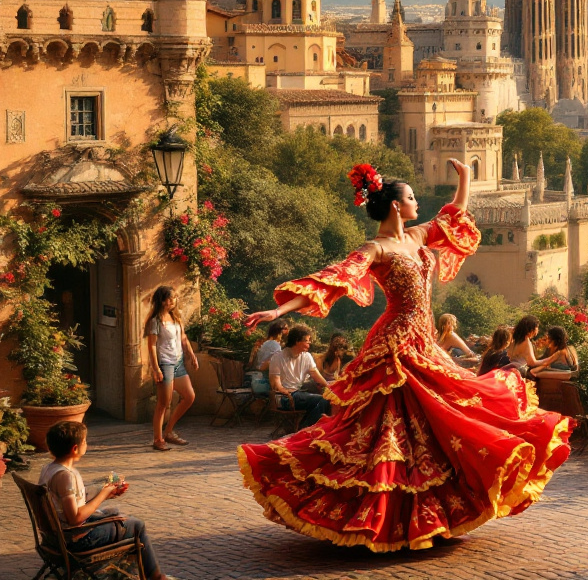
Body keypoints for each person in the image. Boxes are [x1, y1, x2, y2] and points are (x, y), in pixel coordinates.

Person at [239, 160, 571, 551]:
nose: (417, 202)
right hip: (395, 343)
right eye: (411, 197)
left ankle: (430, 516)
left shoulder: (417, 235)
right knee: (389, 431)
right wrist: (279, 311)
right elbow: (334, 279)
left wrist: (466, 178)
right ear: (396, 205)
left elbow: (453, 215)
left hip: (423, 340)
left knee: (435, 424)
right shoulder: (376, 248)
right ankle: (385, 518)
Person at [39, 421, 173, 580]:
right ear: (75, 449)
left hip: (55, 537)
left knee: (118, 517)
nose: (86, 444)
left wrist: (106, 492)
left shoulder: (49, 469)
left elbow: (69, 501)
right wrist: (103, 495)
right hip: (76, 540)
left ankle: (131, 572)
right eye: (84, 441)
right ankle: (156, 577)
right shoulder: (66, 476)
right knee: (136, 525)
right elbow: (75, 518)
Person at [144, 286, 197, 452]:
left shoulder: (176, 317)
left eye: (174, 297)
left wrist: (191, 354)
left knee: (189, 396)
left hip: (178, 362)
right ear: (162, 301)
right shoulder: (155, 321)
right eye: (170, 298)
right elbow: (152, 346)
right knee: (164, 403)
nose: (174, 300)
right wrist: (156, 369)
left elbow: (183, 338)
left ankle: (168, 431)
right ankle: (157, 439)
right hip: (165, 364)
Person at [267, 325, 330, 429]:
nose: (309, 343)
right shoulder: (278, 357)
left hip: (298, 395)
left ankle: (305, 427)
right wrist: (286, 391)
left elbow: (316, 376)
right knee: (322, 400)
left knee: (326, 400)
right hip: (284, 398)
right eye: (306, 340)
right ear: (297, 341)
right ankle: (307, 429)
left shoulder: (307, 356)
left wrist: (330, 387)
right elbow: (275, 384)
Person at [248, 321, 288, 394]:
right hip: (266, 382)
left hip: (259, 379)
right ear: (280, 331)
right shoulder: (275, 345)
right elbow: (266, 365)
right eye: (285, 328)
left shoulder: (268, 343)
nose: (288, 331)